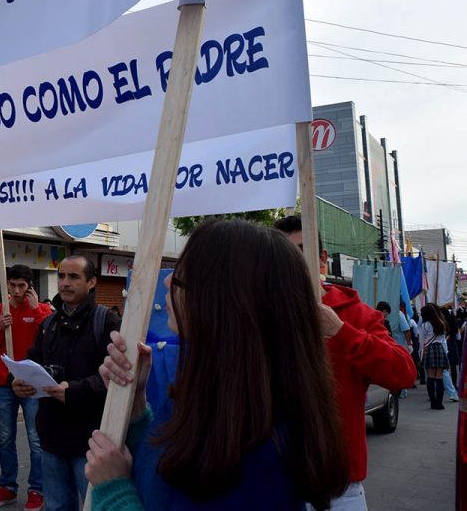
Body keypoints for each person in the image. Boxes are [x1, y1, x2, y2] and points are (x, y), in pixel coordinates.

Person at [86, 219, 350, 510]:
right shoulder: (221, 398)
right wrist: (136, 409)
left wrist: (113, 492)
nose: (166, 282)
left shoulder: (256, 448)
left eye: (182, 276)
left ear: (223, 302)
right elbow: (167, 471)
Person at [274, 215, 415, 510]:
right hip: (270, 484)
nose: (291, 265)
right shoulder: (261, 316)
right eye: (281, 257)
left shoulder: (357, 315)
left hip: (336, 491)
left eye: (300, 252)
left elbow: (404, 373)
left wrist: (341, 331)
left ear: (322, 259)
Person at [13, 256, 120, 511]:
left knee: (97, 506)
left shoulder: (106, 322)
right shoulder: (48, 324)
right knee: (57, 506)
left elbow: (119, 375)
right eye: (61, 276)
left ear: (92, 282)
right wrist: (17, 379)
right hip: (51, 438)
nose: (65, 283)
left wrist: (75, 390)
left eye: (73, 277)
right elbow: (32, 360)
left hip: (91, 441)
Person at [0, 264, 51, 510]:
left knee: (36, 440)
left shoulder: (42, 311)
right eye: (13, 285)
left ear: (30, 286)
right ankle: (8, 487)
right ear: (7, 285)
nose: (17, 291)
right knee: (5, 438)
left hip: (34, 385)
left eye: (22, 286)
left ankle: (37, 489)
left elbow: (51, 341)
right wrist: (0, 327)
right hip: (4, 385)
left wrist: (38, 312)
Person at [419, 303, 450, 410]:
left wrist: (420, 354)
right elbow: (443, 339)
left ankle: (433, 403)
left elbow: (421, 342)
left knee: (430, 378)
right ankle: (439, 403)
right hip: (440, 349)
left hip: (429, 350)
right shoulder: (442, 323)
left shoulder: (425, 325)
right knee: (439, 377)